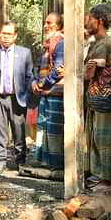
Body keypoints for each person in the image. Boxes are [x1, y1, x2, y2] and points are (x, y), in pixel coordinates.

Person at [0, 21, 34, 174]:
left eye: (9, 34)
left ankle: (20, 161)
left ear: (15, 36)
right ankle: (0, 161)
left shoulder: (24, 53)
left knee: (19, 131)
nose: (5, 37)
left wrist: (26, 94)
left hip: (17, 98)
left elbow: (29, 76)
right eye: (3, 33)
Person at [84, 4, 111, 187]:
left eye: (89, 18)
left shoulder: (104, 43)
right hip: (97, 98)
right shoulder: (96, 43)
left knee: (104, 140)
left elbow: (88, 73)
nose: (86, 22)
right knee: (97, 138)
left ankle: (107, 180)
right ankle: (99, 176)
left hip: (104, 99)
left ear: (99, 21)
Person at [32, 12, 65, 170]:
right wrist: (34, 82)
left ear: (58, 26)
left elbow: (59, 68)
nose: (46, 25)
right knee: (44, 126)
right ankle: (46, 161)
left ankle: (57, 164)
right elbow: (38, 67)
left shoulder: (61, 43)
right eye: (45, 22)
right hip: (45, 92)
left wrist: (43, 84)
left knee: (54, 129)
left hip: (55, 93)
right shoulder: (46, 45)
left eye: (50, 23)